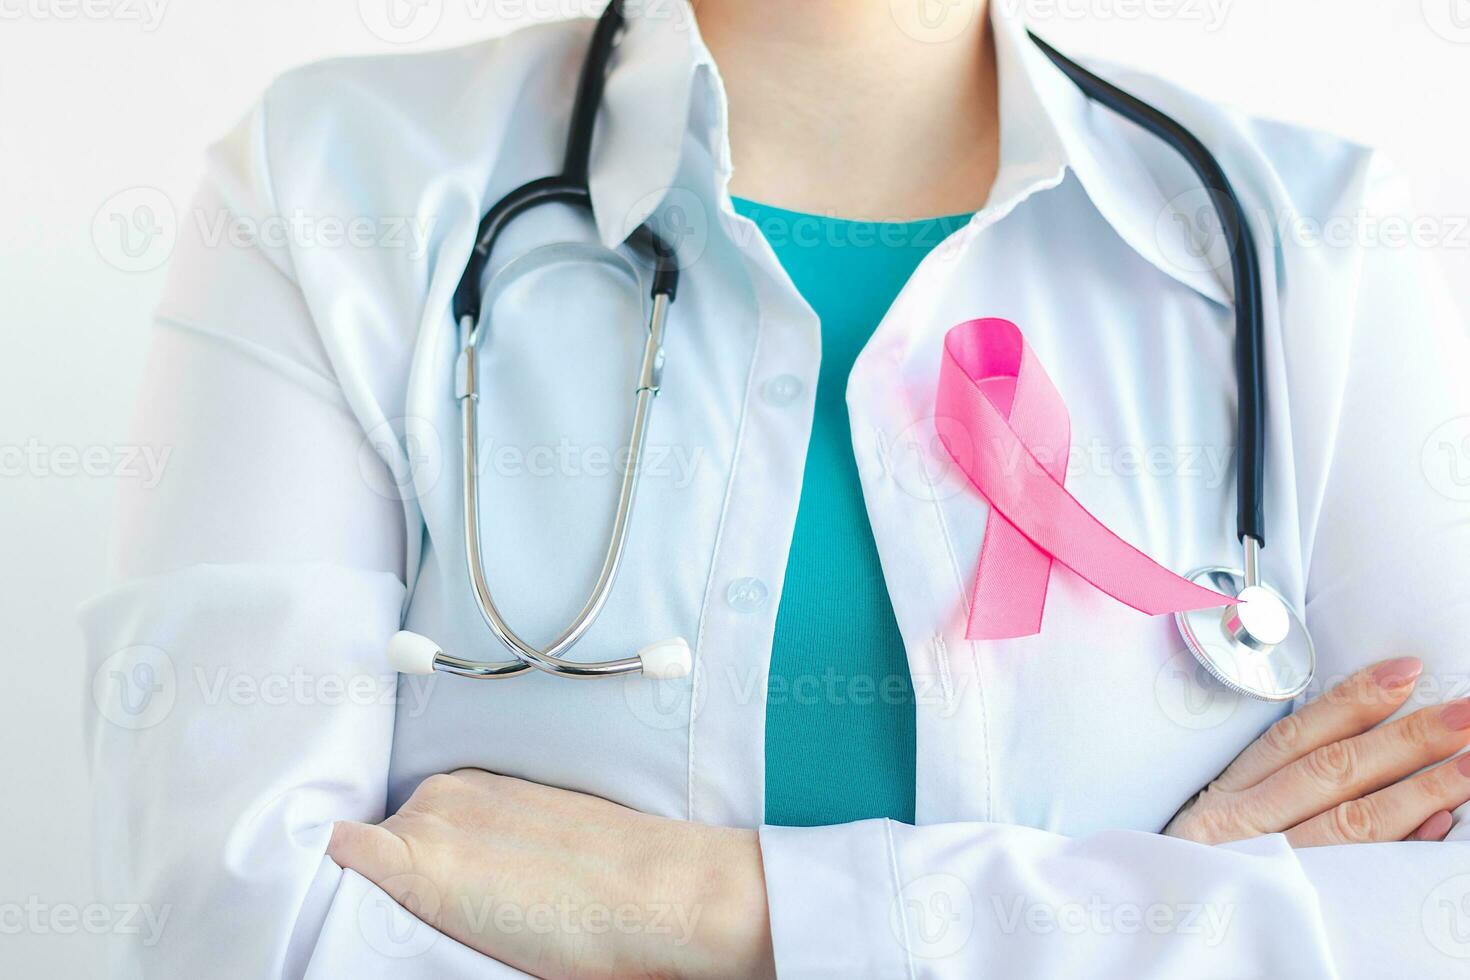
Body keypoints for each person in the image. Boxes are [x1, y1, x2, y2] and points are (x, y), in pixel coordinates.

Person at [83, 0, 1470, 976]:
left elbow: (1440, 921)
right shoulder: (337, 188)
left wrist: (710, 906)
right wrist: (1154, 915)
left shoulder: (1308, 243)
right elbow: (239, 922)